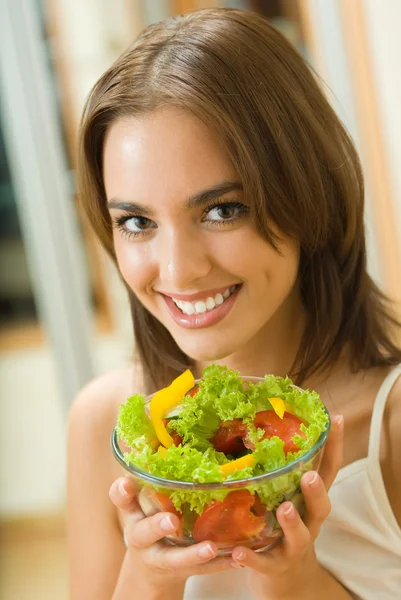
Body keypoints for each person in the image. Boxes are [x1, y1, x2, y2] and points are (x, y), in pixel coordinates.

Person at [68, 8, 401, 600]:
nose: (177, 270)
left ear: (308, 192)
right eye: (137, 221)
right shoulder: (105, 426)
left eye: (222, 210)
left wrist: (296, 582)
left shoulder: (391, 426)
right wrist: (148, 574)